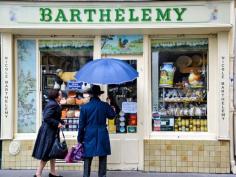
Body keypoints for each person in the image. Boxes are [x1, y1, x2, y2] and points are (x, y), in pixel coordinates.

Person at [78, 85, 116, 177]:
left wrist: (79, 138)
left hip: (89, 133)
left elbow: (81, 125)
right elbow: (112, 115)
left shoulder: (84, 107)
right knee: (102, 156)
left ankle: (86, 175)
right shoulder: (104, 105)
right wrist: (110, 104)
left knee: (87, 157)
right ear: (99, 94)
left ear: (90, 95)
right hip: (102, 132)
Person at [32, 89, 64, 177]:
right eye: (60, 95)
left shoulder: (53, 103)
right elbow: (46, 117)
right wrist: (57, 123)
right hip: (49, 132)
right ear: (56, 96)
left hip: (51, 131)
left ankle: (53, 172)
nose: (61, 97)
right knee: (47, 152)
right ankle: (38, 173)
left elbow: (52, 116)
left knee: (52, 152)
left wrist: (61, 122)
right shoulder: (53, 104)